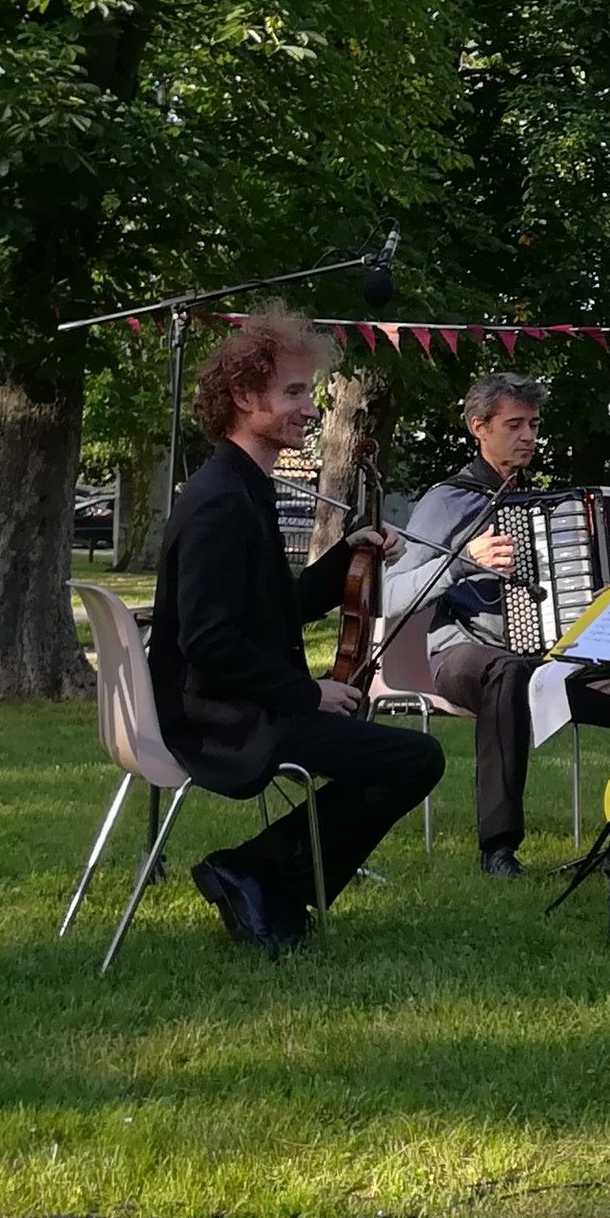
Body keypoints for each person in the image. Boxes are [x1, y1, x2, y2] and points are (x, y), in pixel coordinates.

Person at [147, 312, 444, 955]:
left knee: (398, 756)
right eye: (293, 393)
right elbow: (209, 642)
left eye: (308, 393)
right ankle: (253, 871)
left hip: (227, 703)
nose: (309, 409)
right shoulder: (222, 502)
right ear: (244, 399)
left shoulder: (240, 486)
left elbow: (274, 611)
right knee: (413, 757)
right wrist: (307, 695)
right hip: (215, 716)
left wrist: (346, 555)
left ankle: (264, 880)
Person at [383, 373, 610, 878]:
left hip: (548, 660)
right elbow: (391, 596)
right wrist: (460, 562)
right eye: (515, 424)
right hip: (460, 655)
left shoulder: (551, 509)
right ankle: (498, 849)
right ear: (479, 427)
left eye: (534, 425)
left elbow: (586, 590)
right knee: (507, 671)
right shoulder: (447, 502)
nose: (528, 436)